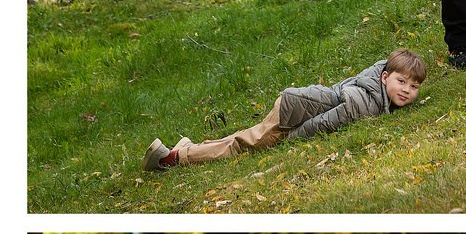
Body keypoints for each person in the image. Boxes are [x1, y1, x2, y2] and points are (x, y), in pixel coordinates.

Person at [145, 50, 425, 171]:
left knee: (247, 136)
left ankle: (191, 147)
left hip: (298, 103)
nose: (406, 91)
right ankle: (172, 158)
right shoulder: (364, 103)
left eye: (413, 87)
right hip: (294, 113)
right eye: (401, 82)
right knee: (245, 145)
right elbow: (322, 124)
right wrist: (292, 139)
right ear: (385, 77)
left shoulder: (372, 86)